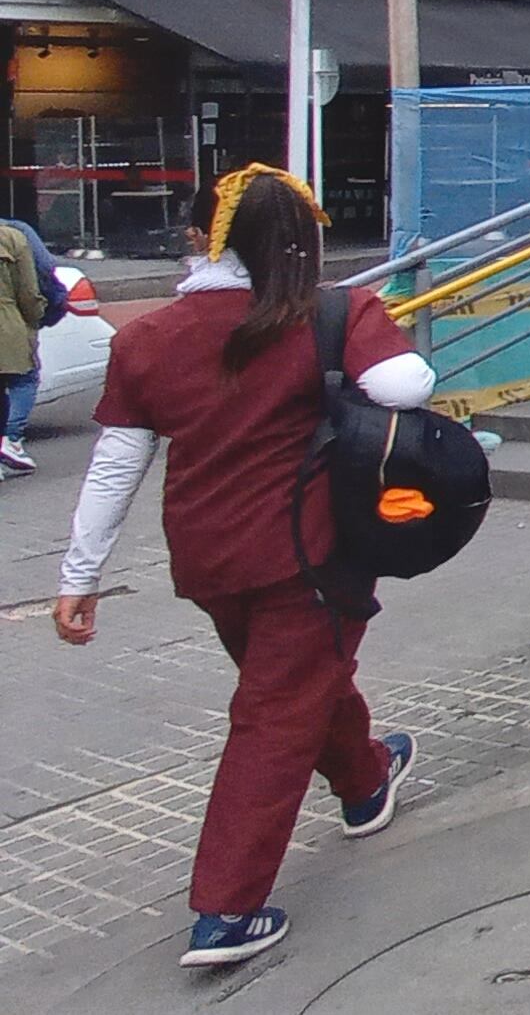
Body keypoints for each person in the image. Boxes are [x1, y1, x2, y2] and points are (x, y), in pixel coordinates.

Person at [52, 169, 436, 970]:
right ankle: (226, 909)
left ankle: (367, 780)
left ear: (202, 237)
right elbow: (405, 385)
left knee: (290, 685)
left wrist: (80, 577)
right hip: (310, 556)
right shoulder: (332, 312)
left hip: (207, 560)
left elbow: (116, 462)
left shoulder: (149, 337)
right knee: (273, 716)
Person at [0, 213, 55, 474]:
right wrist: (36, 318)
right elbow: (29, 293)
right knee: (24, 378)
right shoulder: (13, 237)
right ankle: (11, 439)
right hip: (7, 324)